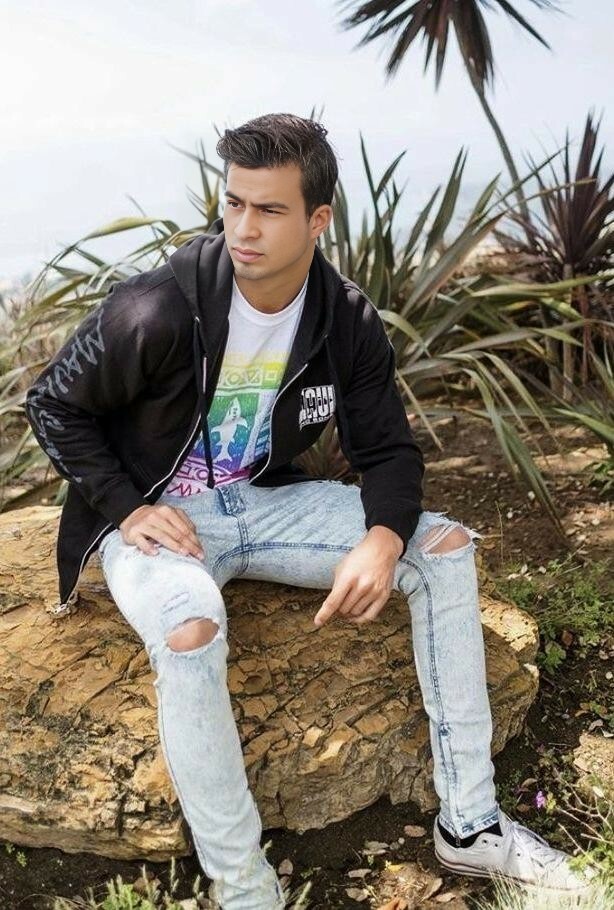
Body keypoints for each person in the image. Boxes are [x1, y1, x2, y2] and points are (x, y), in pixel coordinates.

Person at [24, 113, 594, 908]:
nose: (244, 229)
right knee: (189, 631)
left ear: (318, 218)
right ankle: (245, 888)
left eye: (270, 209)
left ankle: (470, 826)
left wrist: (384, 539)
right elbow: (52, 403)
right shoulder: (156, 307)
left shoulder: (345, 319)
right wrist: (124, 507)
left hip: (267, 504)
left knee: (445, 548)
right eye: (234, 204)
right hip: (165, 520)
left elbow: (388, 450)